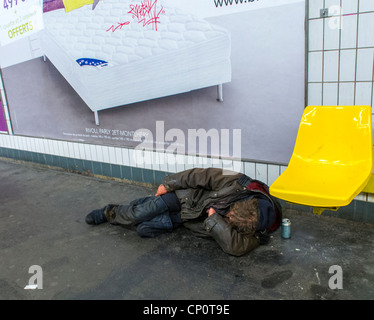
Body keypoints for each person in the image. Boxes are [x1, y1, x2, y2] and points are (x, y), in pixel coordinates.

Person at [85, 167, 282, 256]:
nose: (227, 217)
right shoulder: (238, 181)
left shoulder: (258, 231)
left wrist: (216, 220)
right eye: (229, 213)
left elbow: (235, 248)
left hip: (187, 220)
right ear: (243, 203)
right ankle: (108, 212)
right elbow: (200, 174)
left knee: (143, 229)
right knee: (139, 213)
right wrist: (168, 184)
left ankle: (144, 207)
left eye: (230, 220)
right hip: (184, 198)